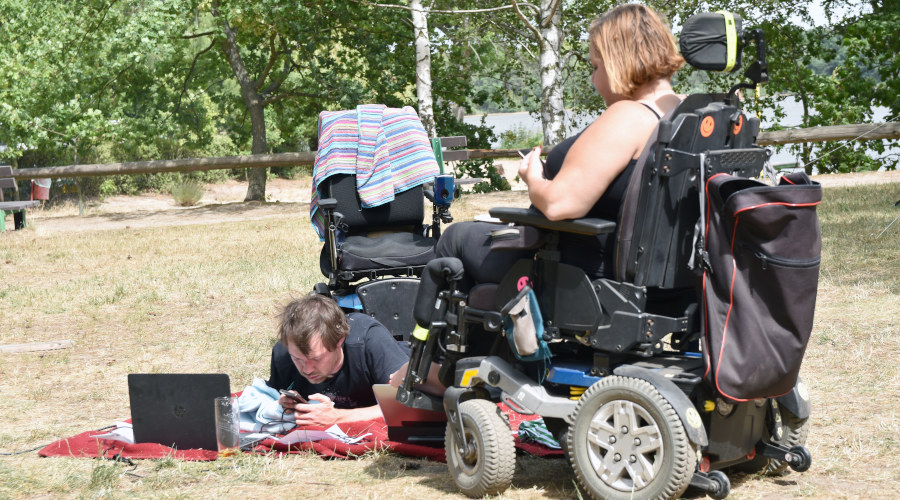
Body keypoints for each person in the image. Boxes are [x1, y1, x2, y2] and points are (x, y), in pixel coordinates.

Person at [437, 3, 685, 285]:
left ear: (618, 61)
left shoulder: (629, 115)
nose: (594, 79)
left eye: (595, 66)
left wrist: (534, 179)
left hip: (575, 270)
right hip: (665, 275)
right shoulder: (687, 113)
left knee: (454, 238)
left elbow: (557, 205)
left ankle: (423, 330)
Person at [266, 294, 410, 427]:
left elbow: (404, 405)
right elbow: (267, 400)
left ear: (339, 341)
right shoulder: (283, 354)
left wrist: (337, 417)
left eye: (316, 359)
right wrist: (285, 403)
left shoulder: (369, 341)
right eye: (297, 359)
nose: (307, 369)